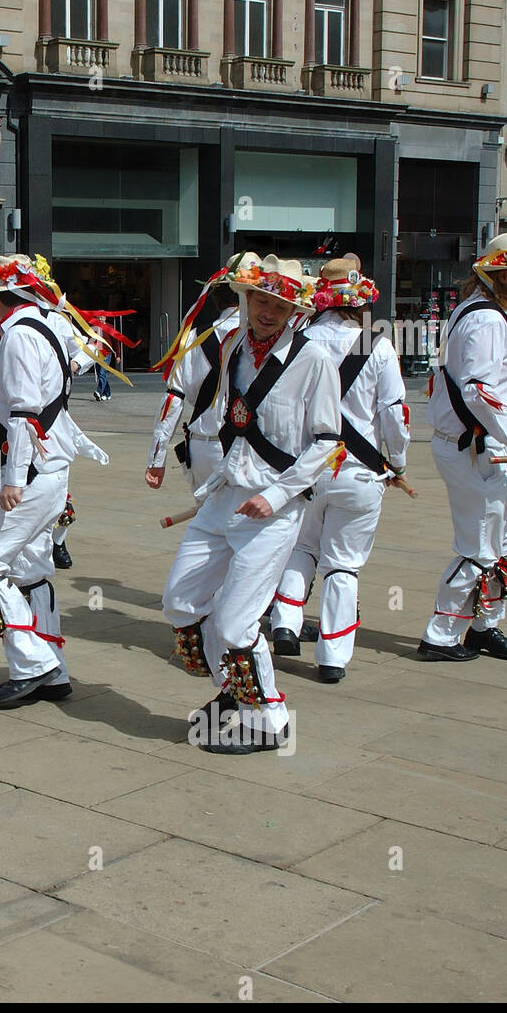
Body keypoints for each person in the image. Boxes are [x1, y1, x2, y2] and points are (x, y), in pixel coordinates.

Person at [161, 257, 341, 754]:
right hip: (222, 498)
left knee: (238, 622)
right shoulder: (232, 346)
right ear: (245, 299)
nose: (268, 310)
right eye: (261, 299)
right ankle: (238, 689)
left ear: (294, 310)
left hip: (272, 511)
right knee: (180, 601)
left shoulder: (314, 360)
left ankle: (269, 721)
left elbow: (328, 441)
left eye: (279, 304)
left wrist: (277, 494)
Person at [418, 229, 507, 663]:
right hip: (473, 448)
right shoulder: (484, 318)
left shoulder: (490, 312)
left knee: (500, 541)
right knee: (479, 545)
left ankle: (484, 626)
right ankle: (440, 636)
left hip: (485, 446)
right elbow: (477, 390)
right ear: (501, 275)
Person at [267, 255, 410, 683]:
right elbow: (395, 414)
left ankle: (286, 622)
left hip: (306, 468)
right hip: (360, 473)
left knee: (302, 548)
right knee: (342, 564)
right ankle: (331, 658)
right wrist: (395, 463)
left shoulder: (296, 338)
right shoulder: (376, 341)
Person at [0, 254, 84, 707]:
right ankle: (52, 671)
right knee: (31, 567)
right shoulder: (51, 325)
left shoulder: (16, 336)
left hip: (25, 473)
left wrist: (12, 478)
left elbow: (24, 412)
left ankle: (36, 664)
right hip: (47, 469)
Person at [146, 253, 258, 499]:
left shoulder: (193, 336)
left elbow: (172, 399)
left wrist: (157, 457)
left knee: (207, 524)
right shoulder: (262, 340)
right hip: (249, 449)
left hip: (203, 448)